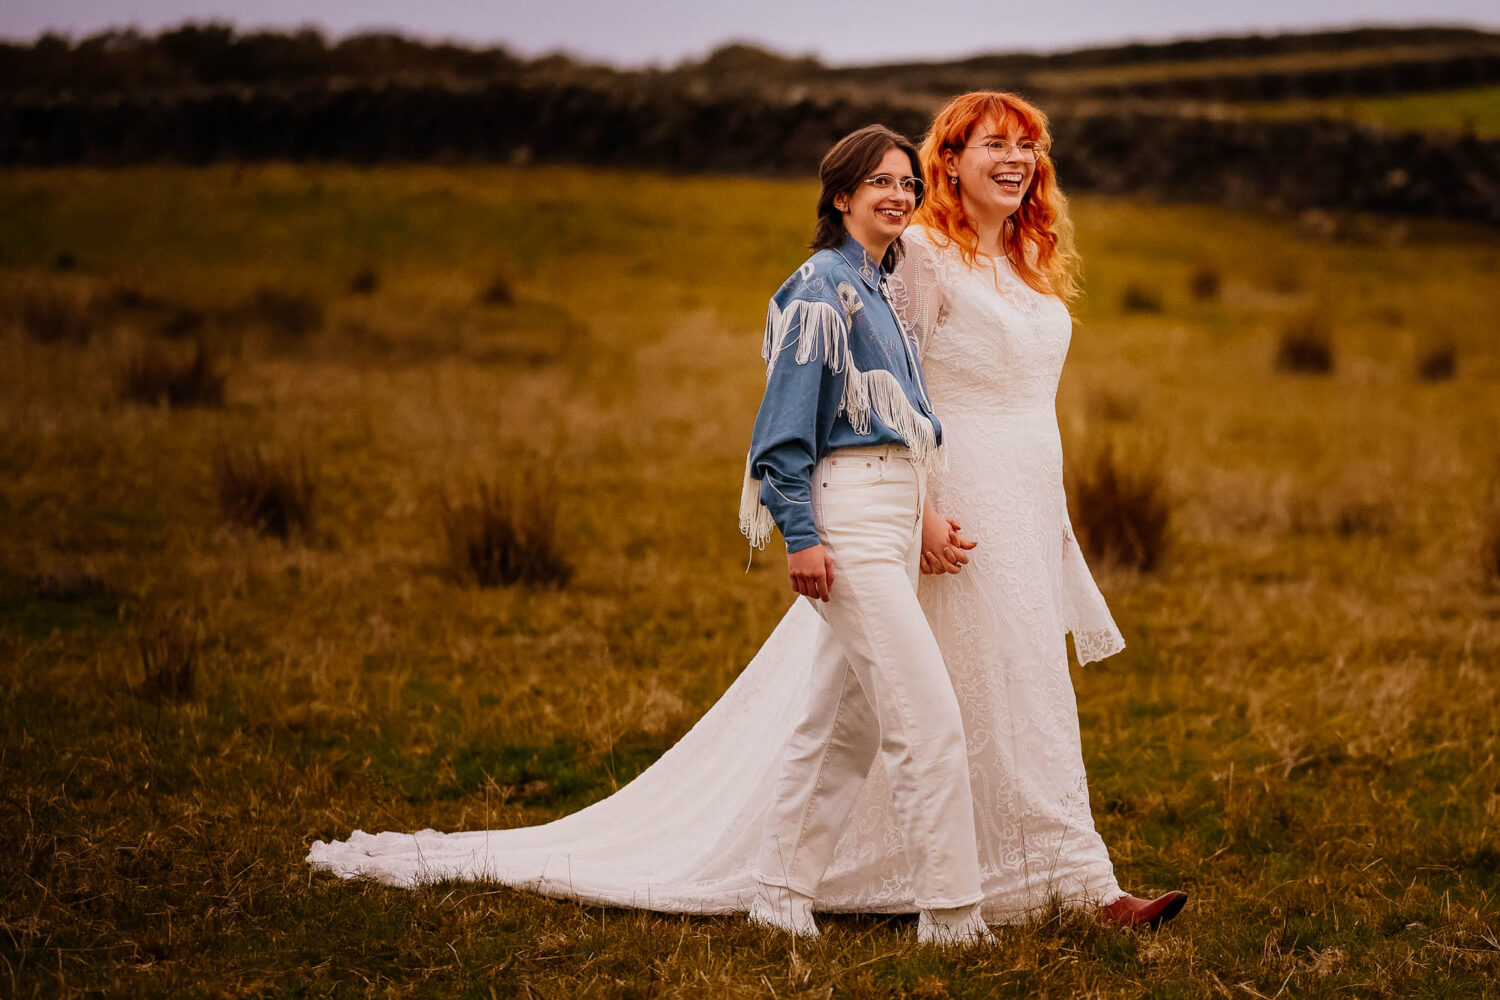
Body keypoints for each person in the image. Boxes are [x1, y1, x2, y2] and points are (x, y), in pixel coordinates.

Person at [306, 100, 1185, 935]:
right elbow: (894, 392)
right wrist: (917, 512)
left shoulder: (1032, 265)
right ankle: (963, 898)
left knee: (1008, 689)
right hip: (940, 507)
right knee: (919, 705)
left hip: (1027, 498)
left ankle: (1059, 876)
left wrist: (1054, 514)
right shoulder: (913, 257)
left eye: (1027, 144)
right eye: (992, 143)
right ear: (945, 163)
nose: (1016, 158)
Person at [739, 124, 993, 946]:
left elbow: (903, 427)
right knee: (927, 717)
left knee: (840, 723)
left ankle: (778, 893)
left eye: (908, 184)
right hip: (846, 518)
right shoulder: (821, 289)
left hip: (889, 511)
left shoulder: (879, 289)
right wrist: (803, 537)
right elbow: (781, 439)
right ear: (841, 195)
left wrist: (921, 510)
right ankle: (952, 917)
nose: (900, 196)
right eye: (881, 182)